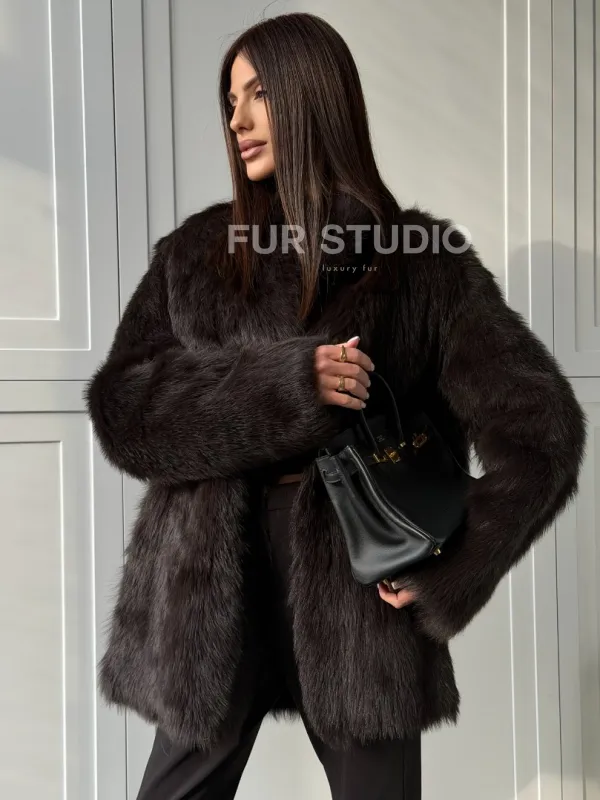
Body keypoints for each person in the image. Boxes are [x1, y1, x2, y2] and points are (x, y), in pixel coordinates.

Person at [84, 11, 587, 800]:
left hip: (359, 587)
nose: (237, 119)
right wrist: (286, 387)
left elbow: (542, 432)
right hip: (210, 586)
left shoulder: (422, 264)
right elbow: (124, 409)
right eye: (230, 100)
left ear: (312, 95)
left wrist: (454, 568)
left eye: (259, 94)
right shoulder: (197, 256)